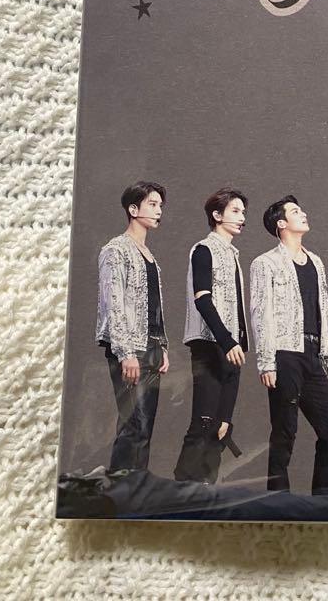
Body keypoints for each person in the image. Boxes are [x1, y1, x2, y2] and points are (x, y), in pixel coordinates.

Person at [250, 195, 328, 493]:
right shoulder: (265, 263)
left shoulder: (316, 261)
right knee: (285, 431)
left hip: (314, 354)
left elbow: (322, 310)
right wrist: (266, 362)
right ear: (281, 224)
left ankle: (322, 501)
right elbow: (261, 313)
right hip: (284, 352)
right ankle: (278, 500)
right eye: (295, 211)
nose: (303, 214)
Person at [173, 188, 249, 484]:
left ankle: (206, 490)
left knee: (221, 425)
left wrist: (238, 341)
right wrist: (227, 340)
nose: (242, 218)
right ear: (217, 215)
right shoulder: (204, 249)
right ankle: (183, 485)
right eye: (235, 211)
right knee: (204, 420)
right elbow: (202, 299)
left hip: (232, 347)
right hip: (210, 344)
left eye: (243, 212)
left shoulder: (233, 254)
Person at [95, 181, 170, 472]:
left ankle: (137, 487)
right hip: (128, 348)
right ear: (133, 209)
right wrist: (126, 353)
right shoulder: (116, 250)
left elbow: (154, 307)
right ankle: (119, 491)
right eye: (152, 204)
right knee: (133, 424)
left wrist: (162, 346)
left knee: (145, 426)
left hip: (151, 347)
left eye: (160, 205)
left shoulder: (149, 255)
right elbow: (113, 304)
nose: (158, 210)